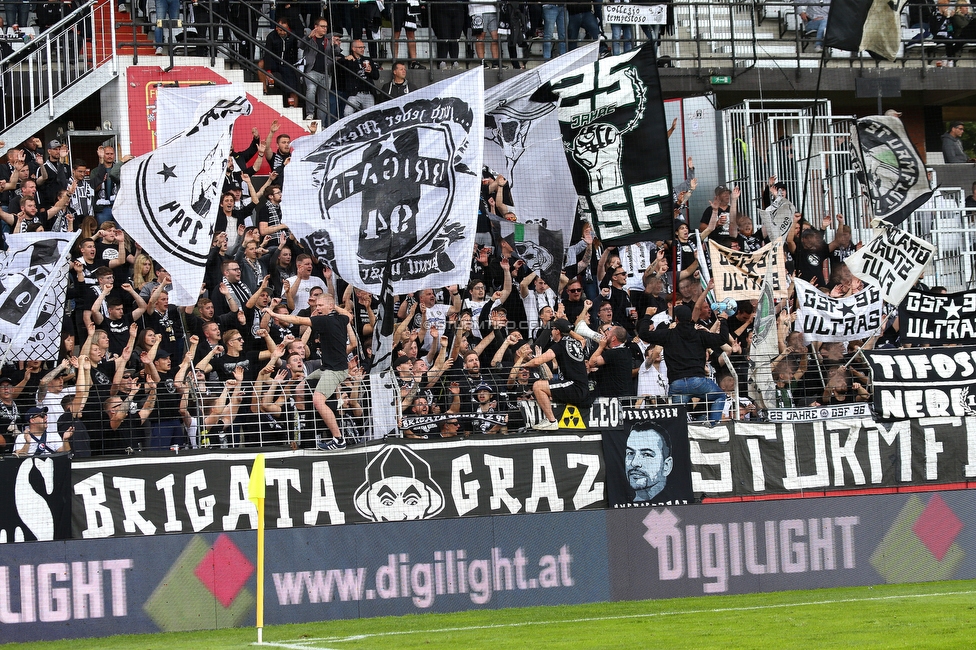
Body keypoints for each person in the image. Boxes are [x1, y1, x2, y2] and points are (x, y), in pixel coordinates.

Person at [265, 293, 358, 450]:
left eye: (321, 305)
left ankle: (338, 439)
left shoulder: (325, 321)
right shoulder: (341, 319)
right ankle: (313, 421)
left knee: (318, 400)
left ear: (330, 306)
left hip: (335, 371)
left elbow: (298, 320)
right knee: (301, 387)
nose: (317, 308)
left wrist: (274, 314)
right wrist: (333, 305)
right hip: (326, 368)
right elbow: (348, 315)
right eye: (317, 305)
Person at [638, 305, 733, 424]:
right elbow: (723, 338)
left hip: (677, 385)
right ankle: (712, 426)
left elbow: (643, 334)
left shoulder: (668, 334)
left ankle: (678, 436)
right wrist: (723, 320)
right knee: (720, 396)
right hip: (698, 382)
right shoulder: (700, 334)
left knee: (676, 417)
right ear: (690, 318)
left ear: (676, 319)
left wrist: (647, 315)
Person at [523, 319, 590, 430]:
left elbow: (537, 362)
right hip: (581, 387)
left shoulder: (560, 346)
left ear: (557, 331)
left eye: (553, 329)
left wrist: (523, 365)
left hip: (574, 387)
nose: (551, 332)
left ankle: (551, 421)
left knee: (538, 386)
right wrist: (568, 330)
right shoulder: (576, 343)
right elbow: (582, 339)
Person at [625, 422, 673, 502]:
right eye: (630, 453)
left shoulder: (679, 507)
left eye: (646, 454)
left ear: (666, 466)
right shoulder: (621, 509)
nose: (634, 463)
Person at [338, 39, 379, 117]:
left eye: (363, 47)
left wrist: (370, 71)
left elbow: (376, 76)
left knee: (370, 116)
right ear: (353, 48)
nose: (363, 49)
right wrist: (345, 58)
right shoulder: (348, 59)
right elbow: (336, 66)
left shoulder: (368, 60)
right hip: (354, 94)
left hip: (368, 93)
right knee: (347, 113)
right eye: (360, 47)